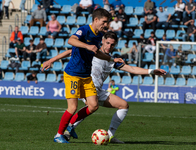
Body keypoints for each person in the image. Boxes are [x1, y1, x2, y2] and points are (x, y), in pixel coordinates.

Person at [59, 31, 166, 143]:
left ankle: (109, 136)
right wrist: (50, 61)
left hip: (98, 90)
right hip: (86, 86)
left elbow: (132, 69)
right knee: (92, 105)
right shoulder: (92, 52)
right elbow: (69, 52)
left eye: (112, 44)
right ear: (103, 41)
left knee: (124, 105)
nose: (109, 46)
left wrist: (152, 71)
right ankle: (68, 129)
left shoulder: (112, 60)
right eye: (107, 43)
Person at [42, 9, 124, 144]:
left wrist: (112, 60)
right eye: (104, 22)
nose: (106, 25)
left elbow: (96, 53)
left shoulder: (99, 36)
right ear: (96, 20)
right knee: (72, 107)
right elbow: (71, 40)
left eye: (107, 22)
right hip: (73, 74)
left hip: (86, 76)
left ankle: (70, 126)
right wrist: (87, 46)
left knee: (93, 105)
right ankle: (58, 135)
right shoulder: (84, 30)